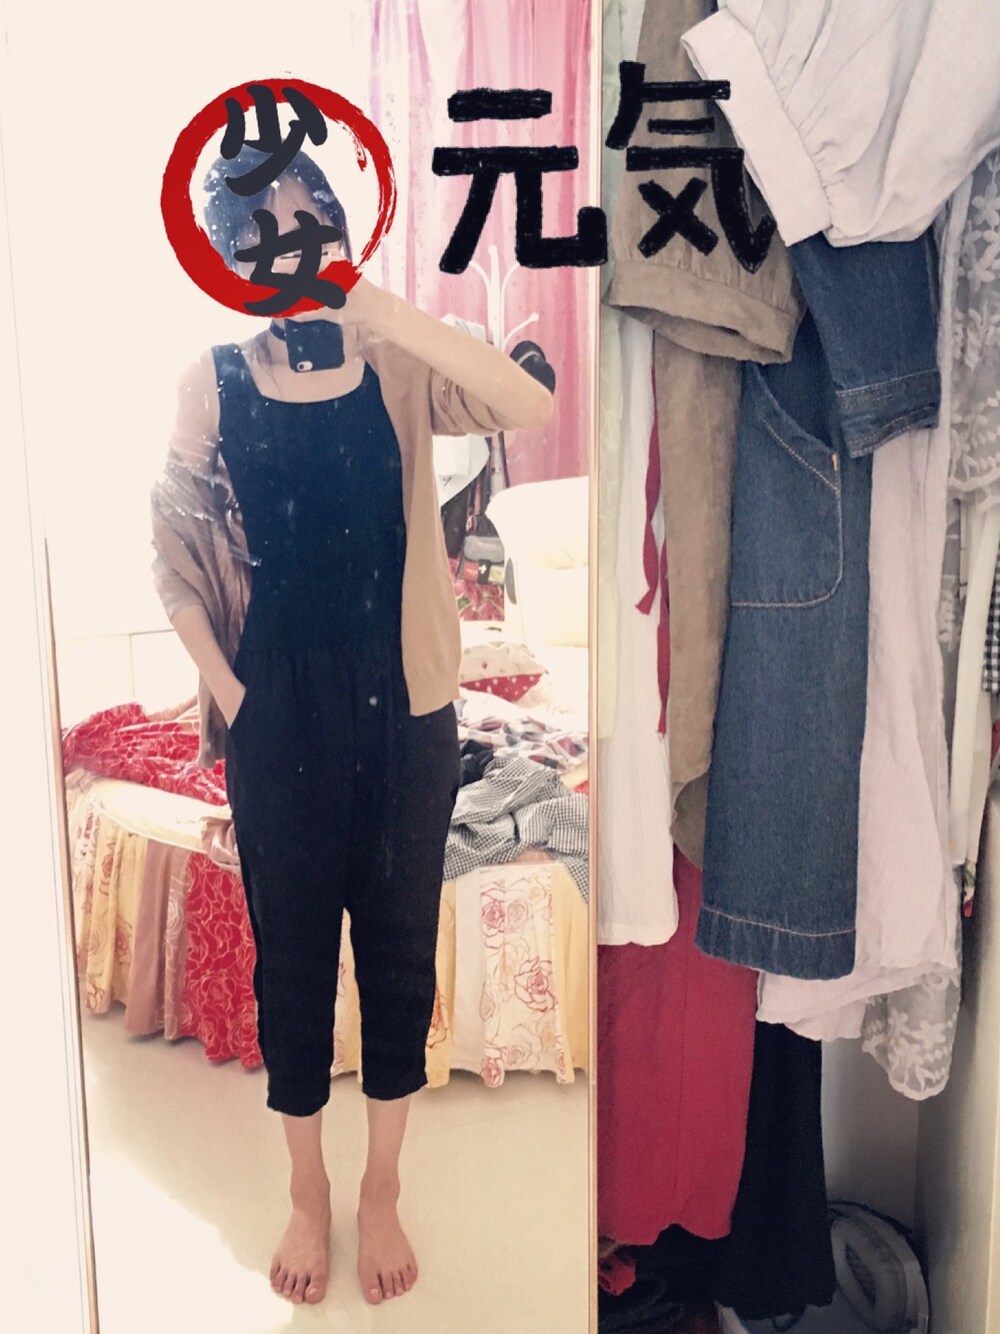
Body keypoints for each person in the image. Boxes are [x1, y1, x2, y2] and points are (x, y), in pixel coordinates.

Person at [151, 145, 553, 1308]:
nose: (291, 239)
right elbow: (171, 547)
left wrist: (374, 303)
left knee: (395, 949)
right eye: (265, 225)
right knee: (290, 960)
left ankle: (380, 1185)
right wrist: (230, 694)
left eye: (309, 215)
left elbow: (528, 402)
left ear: (337, 227)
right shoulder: (212, 380)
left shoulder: (395, 358)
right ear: (234, 253)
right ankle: (305, 1187)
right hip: (276, 706)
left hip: (406, 704)